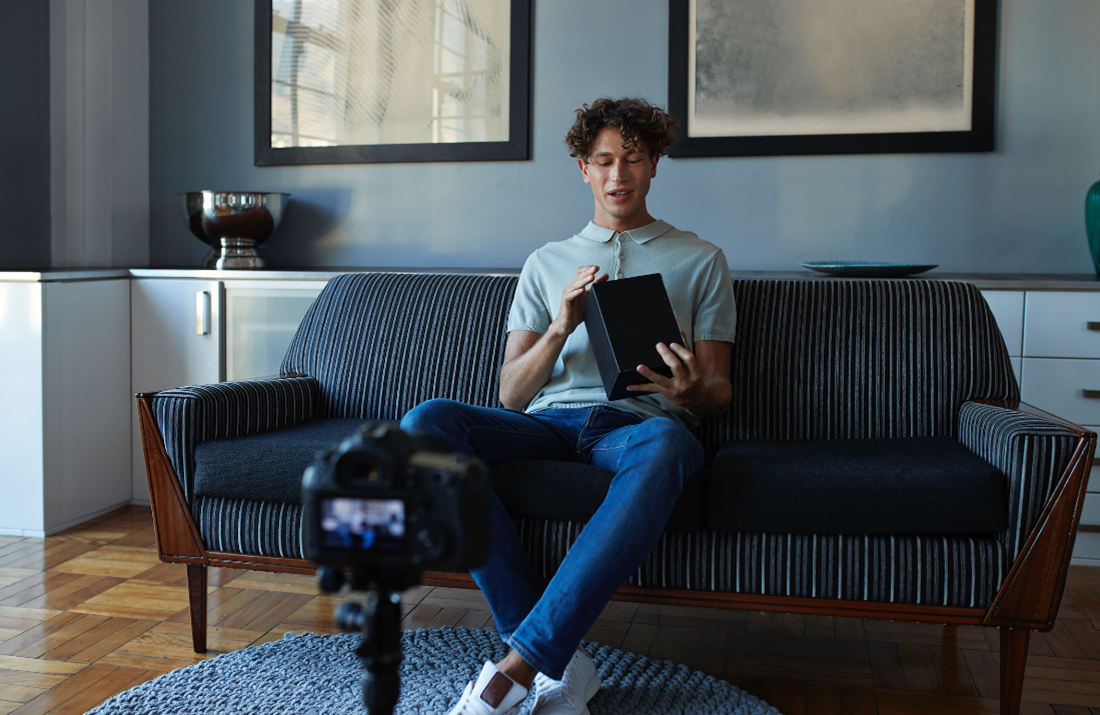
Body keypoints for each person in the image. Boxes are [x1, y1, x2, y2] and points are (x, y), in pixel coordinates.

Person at [400, 97, 737, 715]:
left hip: (637, 427)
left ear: (656, 163)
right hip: (547, 426)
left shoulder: (702, 260)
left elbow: (718, 392)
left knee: (670, 444)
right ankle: (559, 657)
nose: (618, 176)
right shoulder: (544, 262)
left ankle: (519, 665)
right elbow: (511, 395)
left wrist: (690, 391)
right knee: (425, 423)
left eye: (633, 159)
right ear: (583, 167)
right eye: (603, 161)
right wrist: (560, 326)